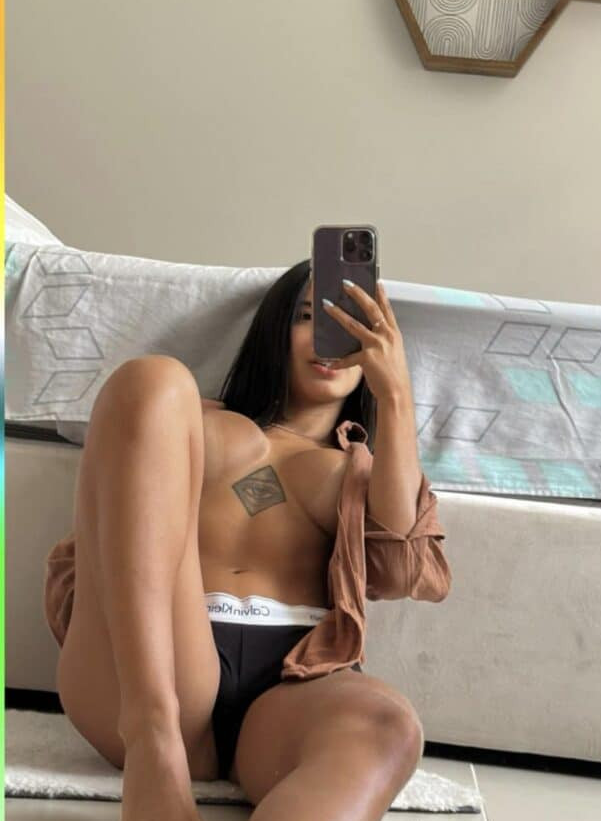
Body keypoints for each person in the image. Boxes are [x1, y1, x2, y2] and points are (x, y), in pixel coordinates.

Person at [53, 258, 427, 821]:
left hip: (293, 684)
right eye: (308, 316)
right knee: (151, 379)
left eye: (351, 325)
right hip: (162, 658)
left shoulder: (367, 470)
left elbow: (400, 572)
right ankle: (153, 739)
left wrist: (395, 393)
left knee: (388, 725)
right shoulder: (193, 421)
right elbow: (114, 504)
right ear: (274, 329)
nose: (328, 340)